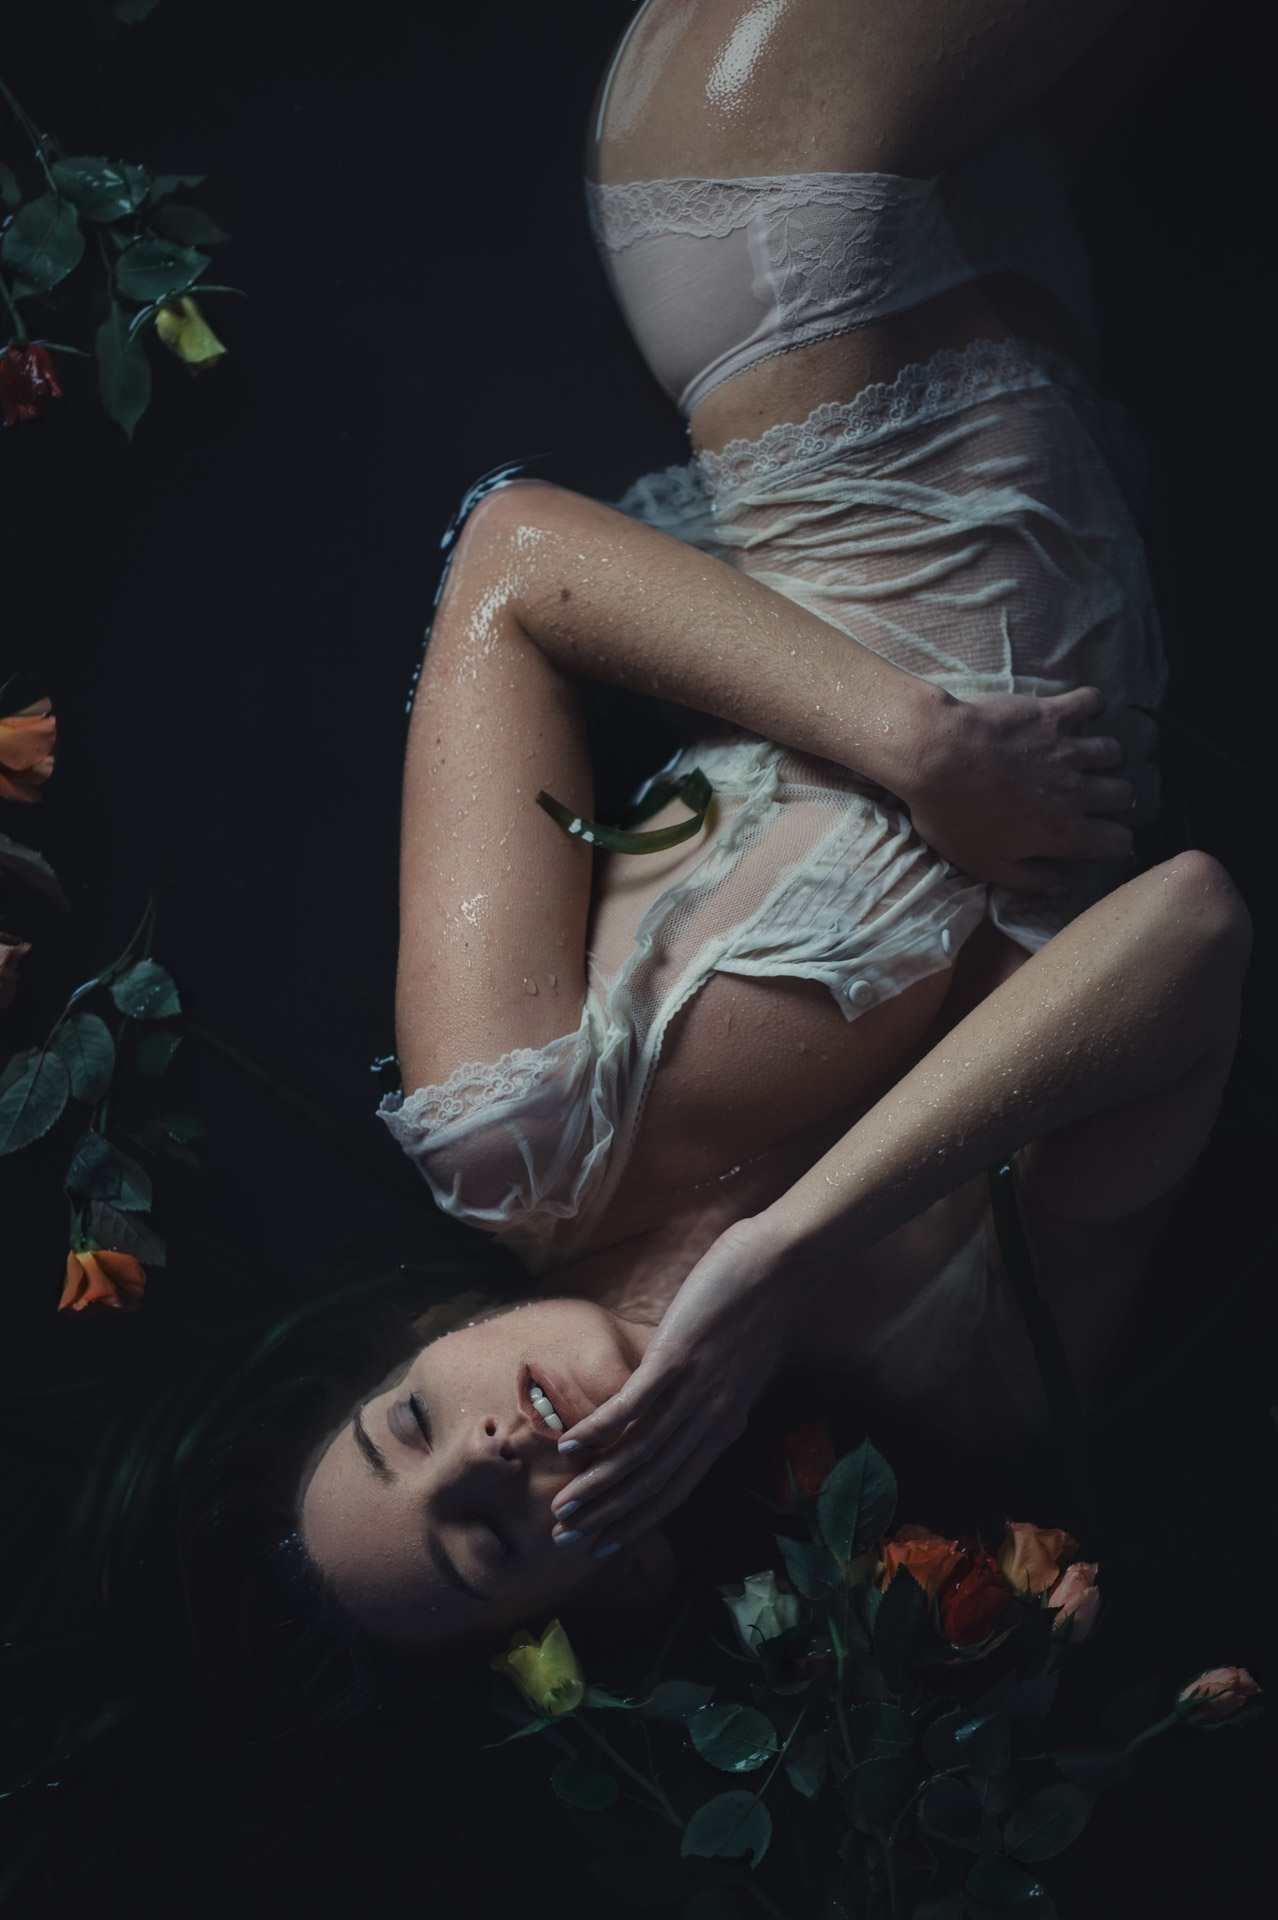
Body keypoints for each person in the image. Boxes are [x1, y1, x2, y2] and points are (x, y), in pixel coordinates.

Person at [299, 0, 1246, 1647]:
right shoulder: (972, 1364)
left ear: (427, 1334)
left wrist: (916, 745)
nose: (489, 1450)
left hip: (779, 220)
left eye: (411, 1424)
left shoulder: (511, 1125)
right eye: (485, 1539)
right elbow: (1191, 933)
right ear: (628, 1577)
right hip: (1044, 338)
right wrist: (785, 1257)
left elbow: (517, 560)